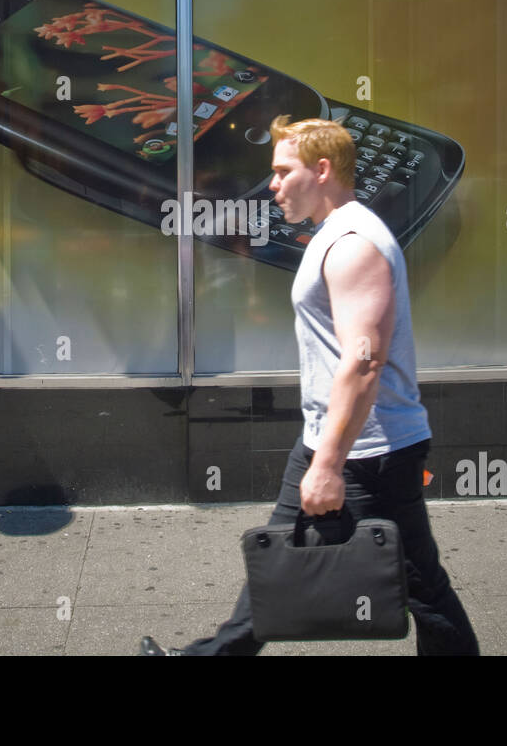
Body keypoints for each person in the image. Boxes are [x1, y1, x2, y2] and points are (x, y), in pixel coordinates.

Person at [140, 116, 479, 656]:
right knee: (283, 555)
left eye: (281, 171)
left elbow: (364, 363)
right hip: (343, 438)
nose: (272, 184)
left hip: (368, 449)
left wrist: (328, 464)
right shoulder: (335, 234)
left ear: (321, 170)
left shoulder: (352, 245)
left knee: (420, 587)